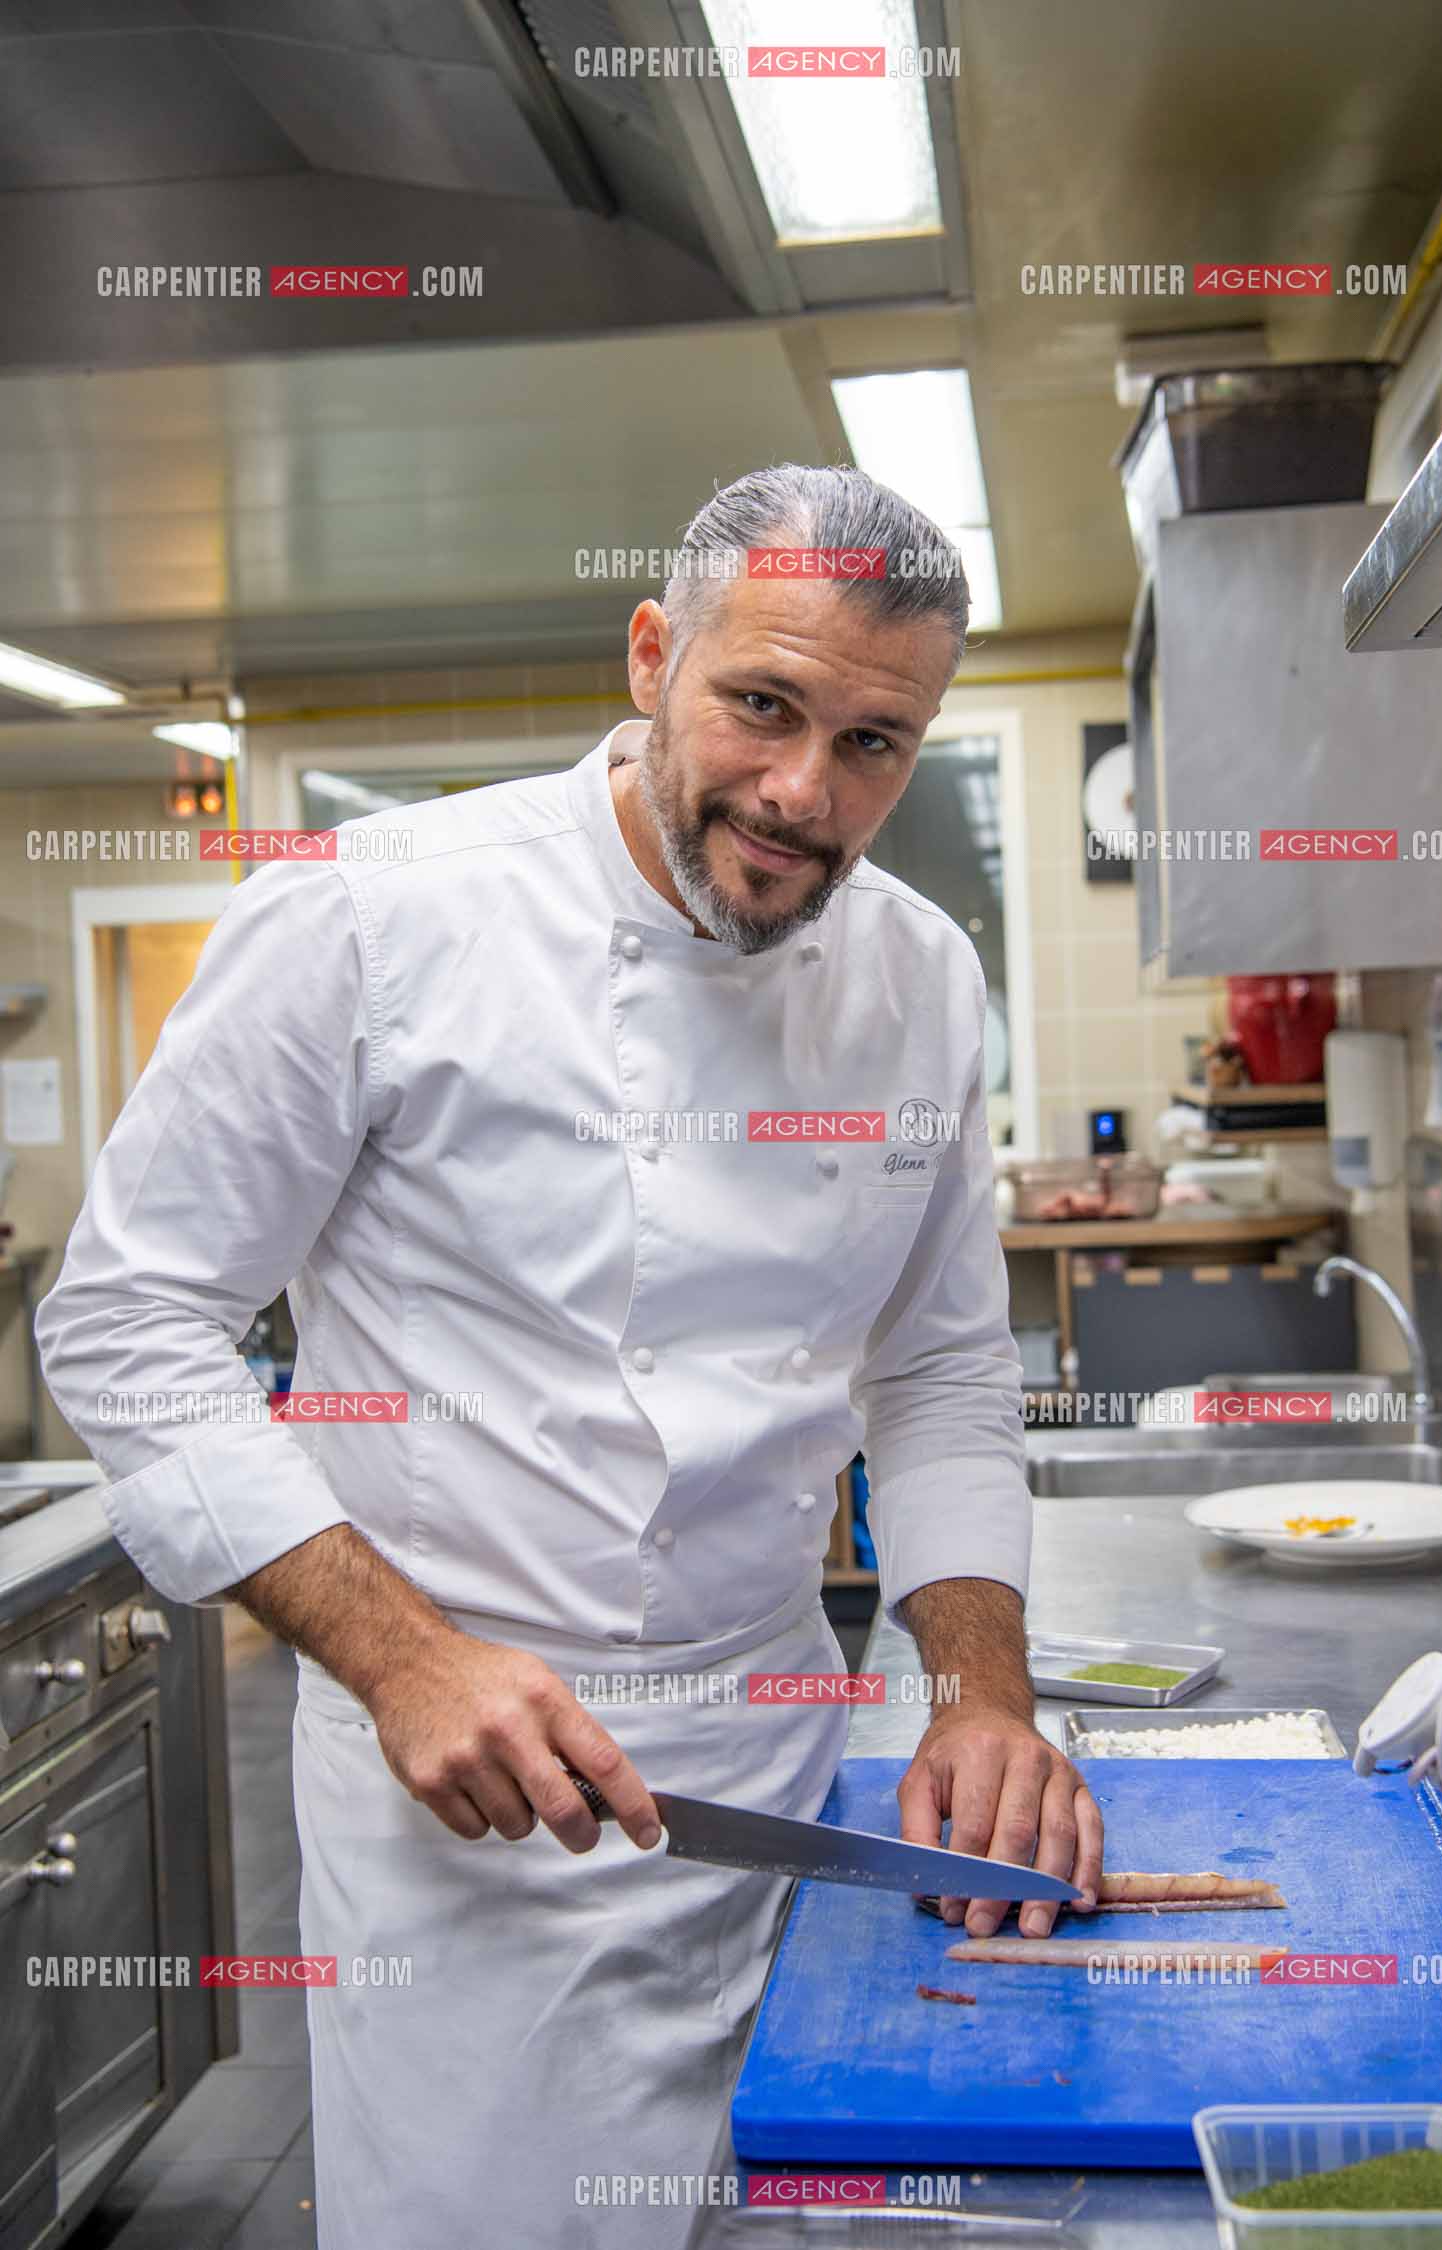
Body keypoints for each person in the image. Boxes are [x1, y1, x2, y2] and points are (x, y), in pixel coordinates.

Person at [36, 463, 1103, 2248]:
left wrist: (979, 1690)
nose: (803, 793)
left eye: (875, 743)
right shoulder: (377, 913)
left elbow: (935, 1374)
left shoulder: (922, 976)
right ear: (648, 653)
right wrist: (406, 1657)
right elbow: (128, 1322)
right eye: (761, 703)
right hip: (468, 1795)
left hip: (781, 1762)